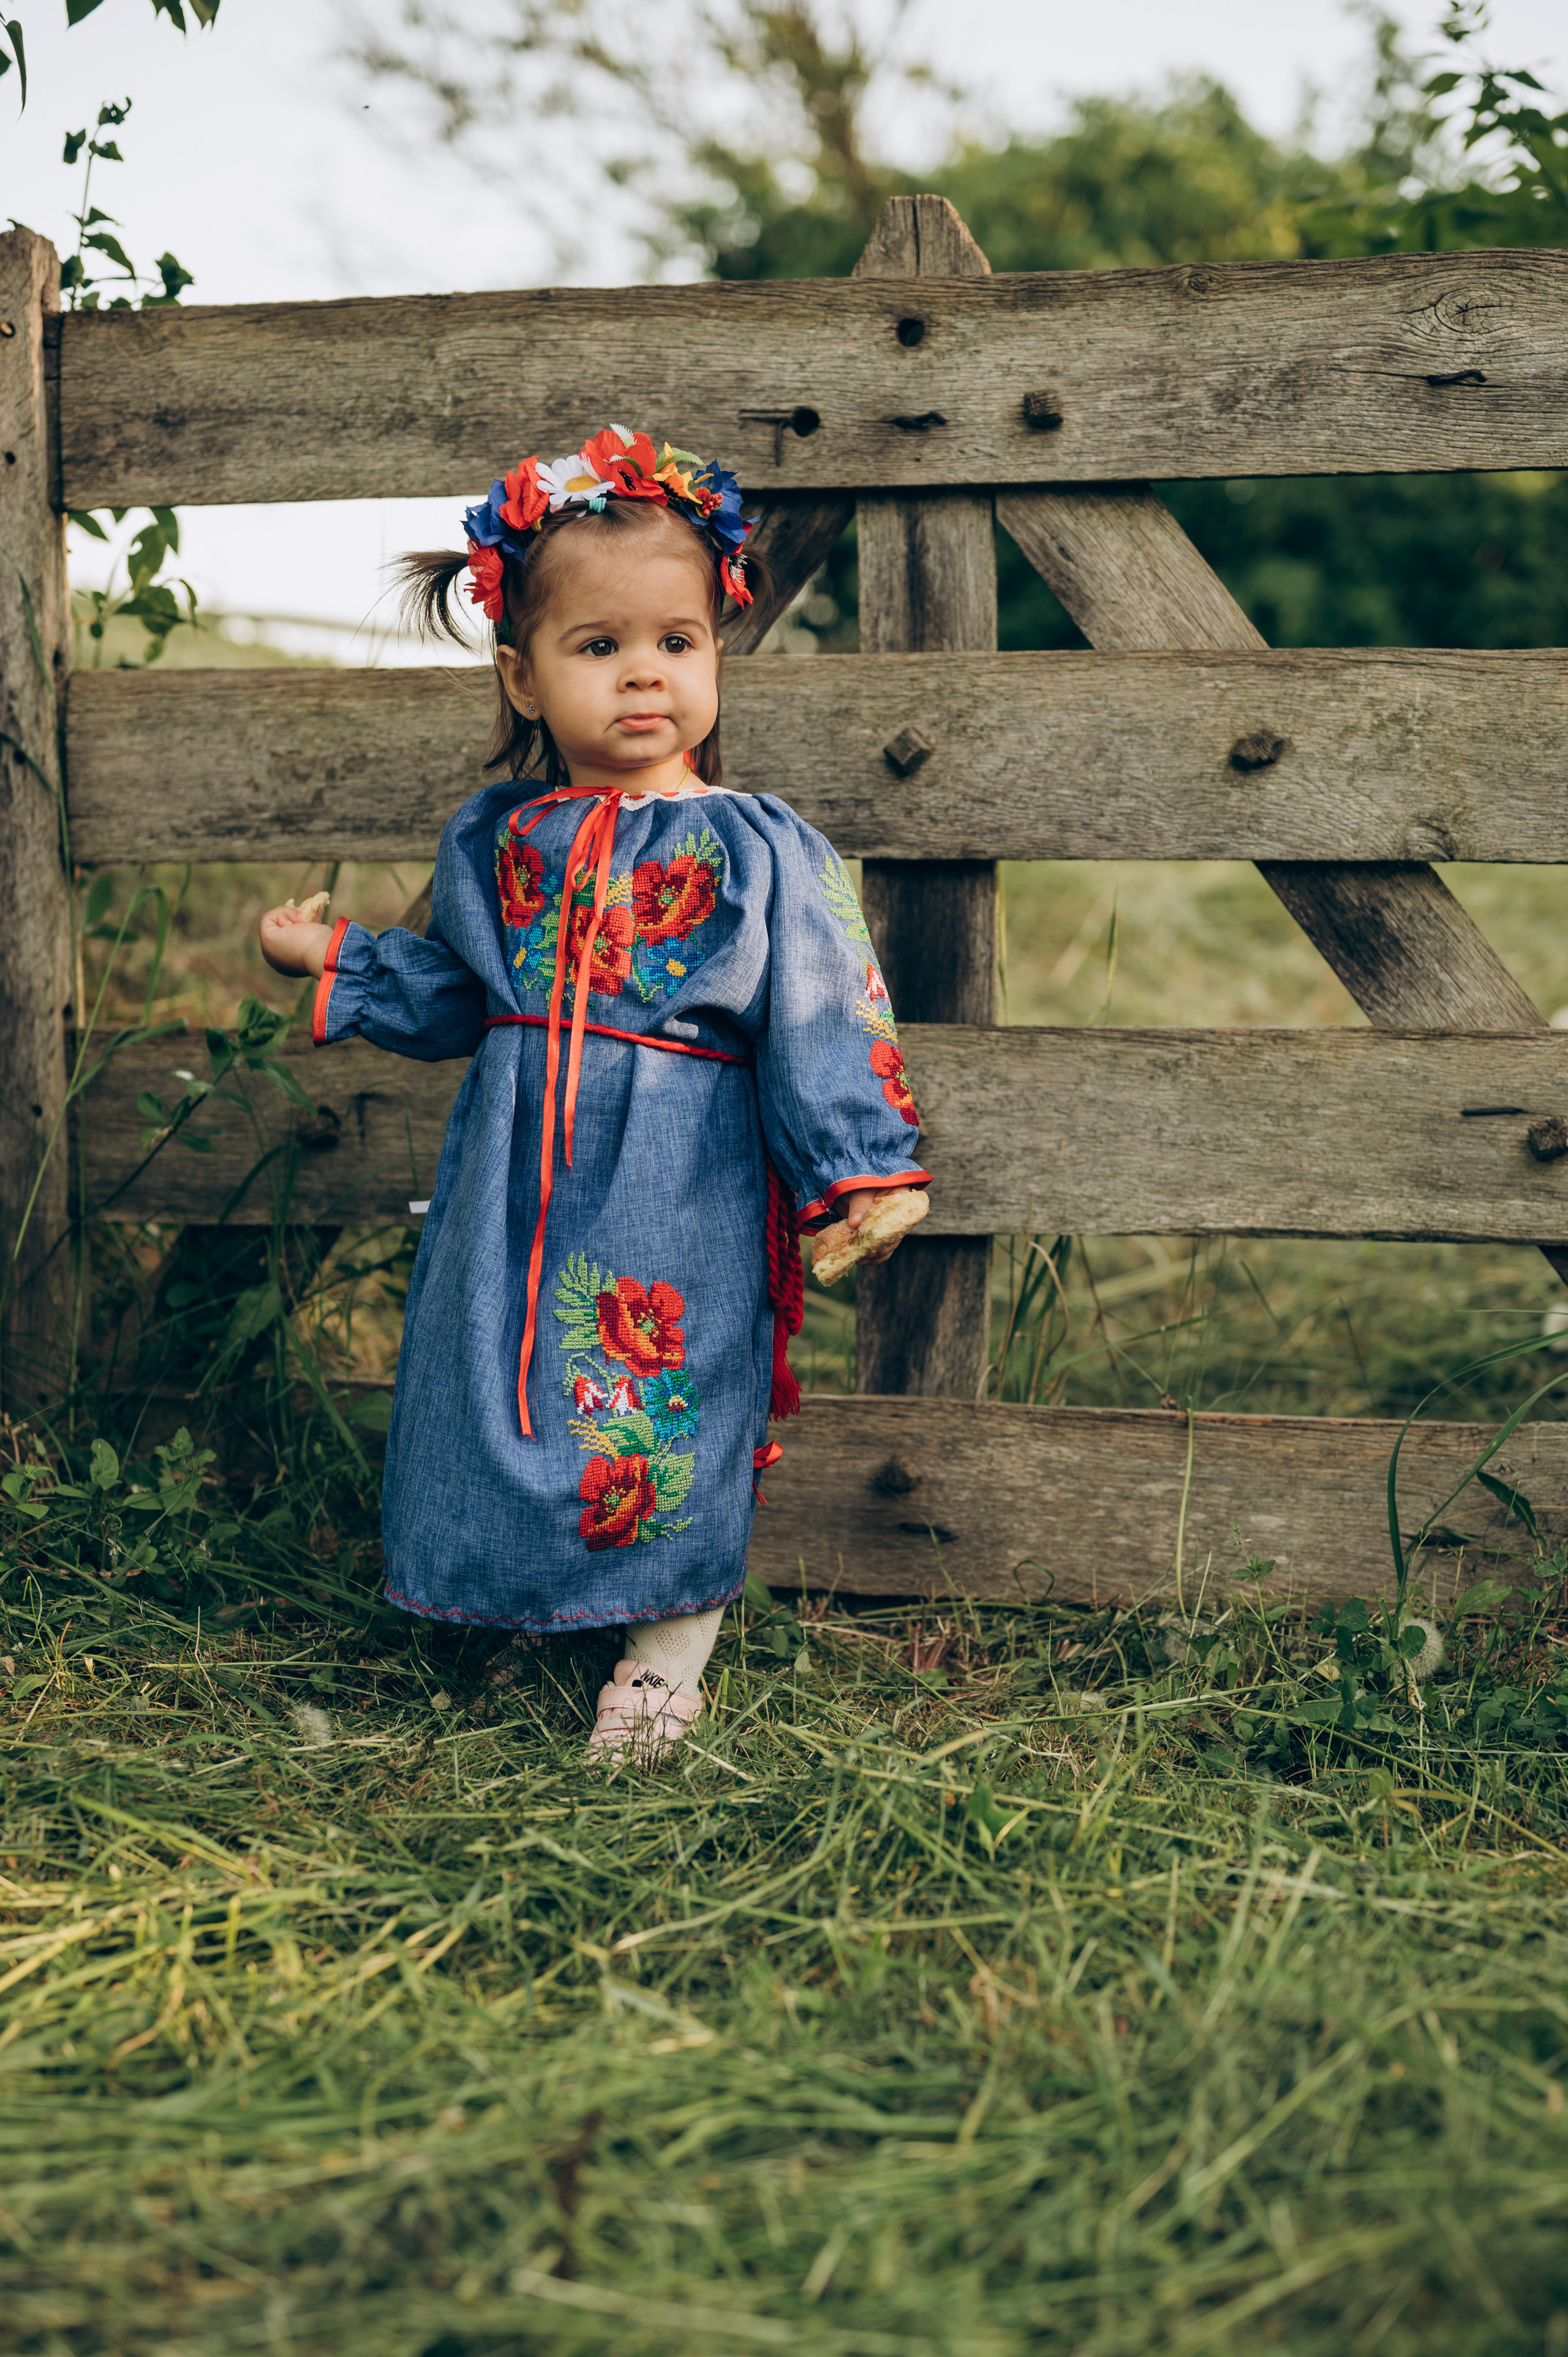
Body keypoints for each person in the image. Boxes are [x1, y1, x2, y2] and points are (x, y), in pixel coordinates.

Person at [258, 425, 930, 1761]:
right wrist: (346, 963)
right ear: (520, 673)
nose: (643, 674)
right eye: (597, 645)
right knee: (495, 1377)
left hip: (677, 1164)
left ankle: (668, 1642)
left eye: (676, 643)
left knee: (662, 1381)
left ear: (717, 655)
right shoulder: (498, 838)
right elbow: (471, 993)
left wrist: (855, 1162)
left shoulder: (756, 844)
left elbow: (818, 1003)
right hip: (512, 1162)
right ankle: (532, 1602)